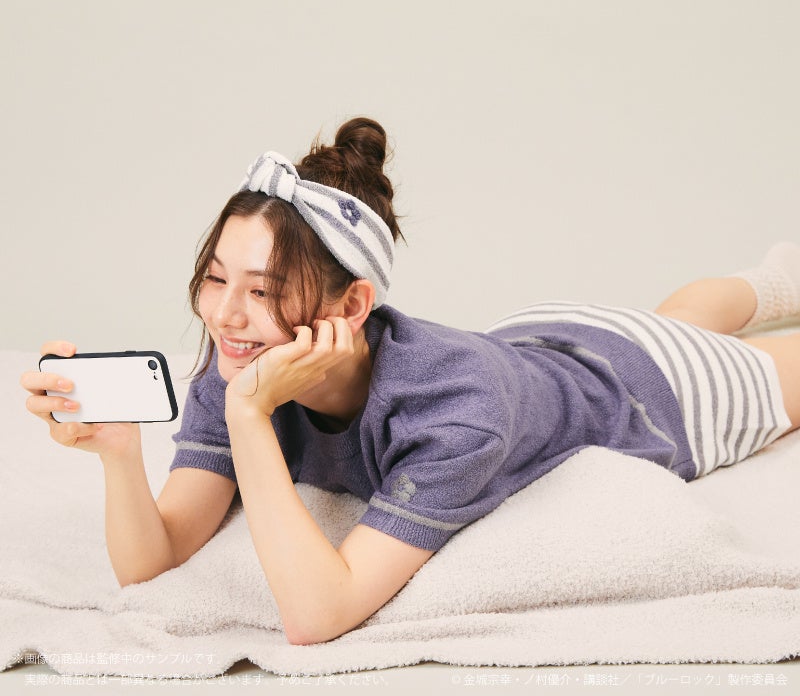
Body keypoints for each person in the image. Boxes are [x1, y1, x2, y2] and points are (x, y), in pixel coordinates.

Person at [21, 117, 800, 646]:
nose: (225, 315)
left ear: (352, 306)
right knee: (674, 315)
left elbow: (316, 615)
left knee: (681, 334)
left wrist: (251, 418)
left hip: (647, 387)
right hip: (536, 334)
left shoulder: (452, 413)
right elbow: (151, 563)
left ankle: (771, 290)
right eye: (217, 278)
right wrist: (120, 456)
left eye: (261, 291)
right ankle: (772, 281)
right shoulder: (240, 365)